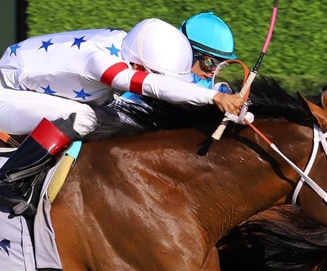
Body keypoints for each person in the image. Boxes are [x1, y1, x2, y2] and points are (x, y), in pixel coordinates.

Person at [0, 18, 245, 191]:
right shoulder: (100, 63)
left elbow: (164, 85)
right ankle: (10, 180)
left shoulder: (128, 44)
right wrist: (214, 98)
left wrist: (223, 95)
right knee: (81, 116)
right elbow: (153, 86)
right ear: (138, 67)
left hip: (22, 86)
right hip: (5, 94)